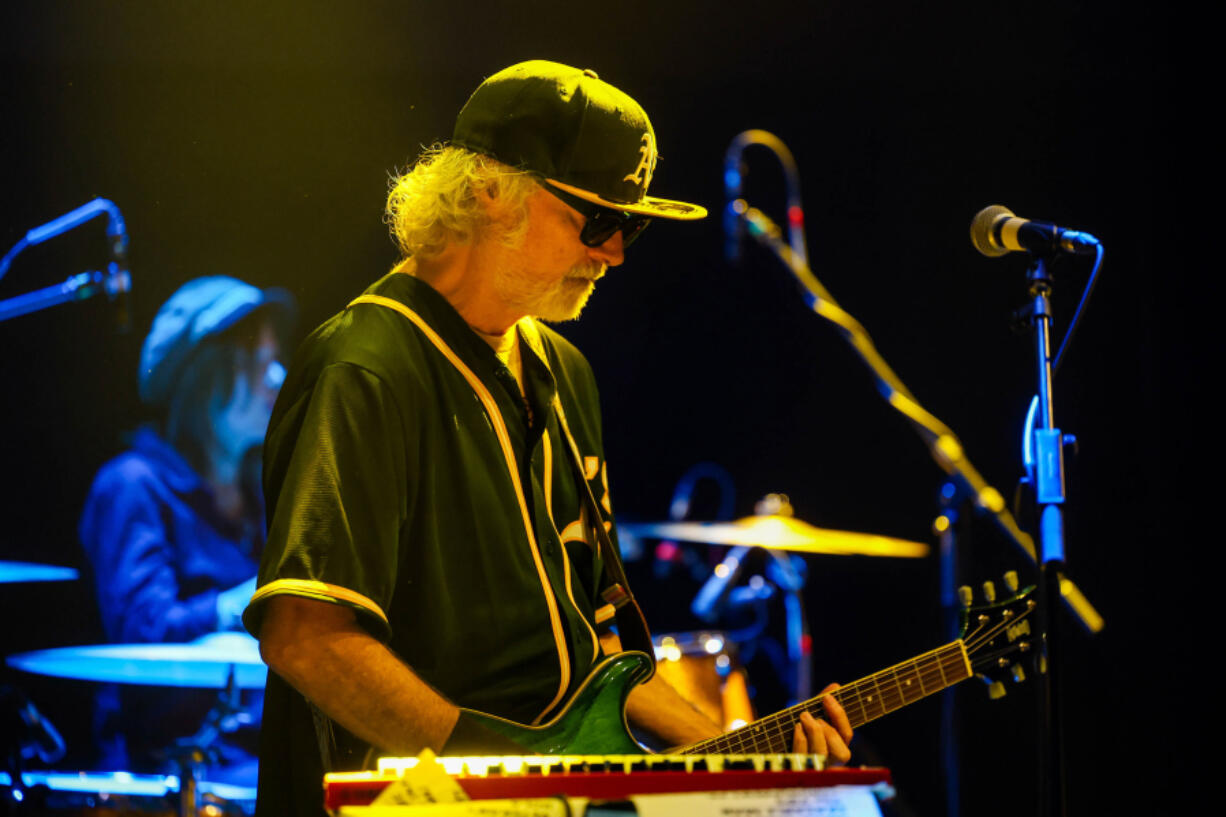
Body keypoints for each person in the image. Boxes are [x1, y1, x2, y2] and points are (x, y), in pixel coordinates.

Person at [243, 60, 852, 816]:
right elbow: (307, 636)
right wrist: (499, 779)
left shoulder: (563, 371)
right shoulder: (366, 366)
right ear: (490, 191)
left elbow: (601, 650)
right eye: (598, 220)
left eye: (629, 226)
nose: (616, 252)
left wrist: (741, 756)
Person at [79, 275, 293, 781]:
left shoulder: (263, 493)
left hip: (257, 754)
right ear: (208, 377)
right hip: (171, 768)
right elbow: (144, 632)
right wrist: (241, 603)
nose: (280, 377)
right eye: (261, 362)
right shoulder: (133, 485)